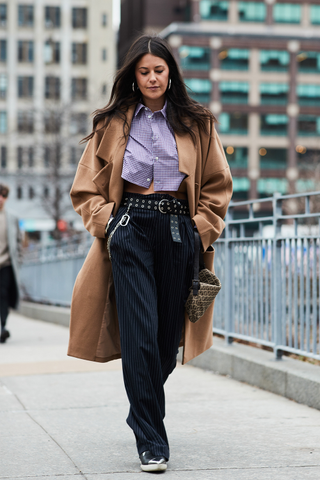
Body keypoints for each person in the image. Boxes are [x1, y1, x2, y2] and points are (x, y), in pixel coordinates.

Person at [68, 35, 233, 473]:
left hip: (180, 229)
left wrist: (200, 229)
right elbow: (85, 188)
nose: (153, 77)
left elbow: (218, 185)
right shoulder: (113, 122)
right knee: (139, 333)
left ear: (170, 73)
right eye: (144, 71)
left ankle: (140, 407)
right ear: (134, 77)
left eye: (159, 70)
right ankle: (152, 440)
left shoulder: (198, 123)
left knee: (164, 342)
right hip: (130, 229)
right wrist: (110, 223)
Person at [0, 184, 20, 343]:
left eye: (4, 195)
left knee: (3, 294)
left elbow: (18, 241)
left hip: (6, 263)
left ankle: (3, 326)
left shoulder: (12, 217)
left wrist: (17, 258)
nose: (1, 199)